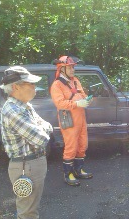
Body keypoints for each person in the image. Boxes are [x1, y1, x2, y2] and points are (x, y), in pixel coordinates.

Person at [0, 66, 53, 218]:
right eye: (30, 84)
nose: (34, 87)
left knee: (30, 209)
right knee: (28, 213)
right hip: (26, 167)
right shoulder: (13, 110)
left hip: (30, 164)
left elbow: (47, 126)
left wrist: (41, 127)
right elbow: (41, 138)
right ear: (16, 87)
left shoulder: (24, 105)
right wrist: (41, 128)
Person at [50, 55, 93, 187]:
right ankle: (68, 173)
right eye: (70, 67)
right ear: (62, 69)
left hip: (81, 118)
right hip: (68, 119)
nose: (73, 69)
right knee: (71, 146)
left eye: (73, 67)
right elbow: (59, 103)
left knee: (82, 145)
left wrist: (87, 100)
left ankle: (78, 169)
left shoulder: (75, 81)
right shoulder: (57, 85)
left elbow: (83, 94)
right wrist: (77, 104)